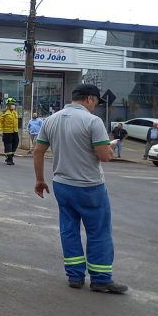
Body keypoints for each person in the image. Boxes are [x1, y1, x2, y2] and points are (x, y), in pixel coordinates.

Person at [33, 84, 127, 293]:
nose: (95, 107)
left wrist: (40, 179)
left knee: (69, 230)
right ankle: (101, 278)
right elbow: (103, 156)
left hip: (62, 185)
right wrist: (110, 148)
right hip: (89, 186)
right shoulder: (93, 121)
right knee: (98, 232)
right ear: (90, 99)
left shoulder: (51, 120)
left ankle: (75, 276)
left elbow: (38, 151)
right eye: (95, 102)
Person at [0, 97, 20, 165]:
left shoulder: (15, 112)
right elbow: (0, 122)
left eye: (14, 104)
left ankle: (10, 156)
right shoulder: (3, 112)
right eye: (12, 104)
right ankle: (9, 159)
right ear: (8, 105)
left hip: (15, 131)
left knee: (15, 144)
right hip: (7, 132)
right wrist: (0, 131)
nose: (13, 105)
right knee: (8, 146)